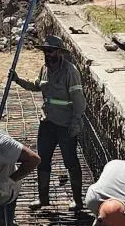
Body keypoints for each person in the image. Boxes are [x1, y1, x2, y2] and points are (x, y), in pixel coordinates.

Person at [11, 35, 86, 211]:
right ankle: (43, 198)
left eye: (50, 51)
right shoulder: (44, 69)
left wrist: (76, 121)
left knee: (70, 161)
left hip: (65, 125)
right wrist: (17, 80)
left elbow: (79, 101)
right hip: (48, 123)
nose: (47, 54)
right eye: (45, 51)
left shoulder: (70, 72)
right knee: (42, 160)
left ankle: (77, 200)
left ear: (59, 52)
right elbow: (37, 86)